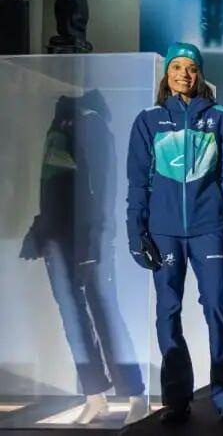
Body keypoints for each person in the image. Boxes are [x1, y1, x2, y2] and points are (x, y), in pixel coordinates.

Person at [126, 42, 223, 423]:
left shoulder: (219, 118)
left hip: (209, 229)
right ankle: (177, 398)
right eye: (177, 67)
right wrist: (136, 231)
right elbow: (137, 183)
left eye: (191, 68)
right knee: (168, 312)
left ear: (199, 75)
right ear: (167, 74)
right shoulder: (148, 121)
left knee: (218, 307)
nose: (184, 74)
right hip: (164, 232)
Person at [20, 91, 147, 425]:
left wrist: (97, 237)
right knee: (73, 318)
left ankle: (135, 394)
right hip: (56, 238)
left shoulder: (91, 123)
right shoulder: (59, 124)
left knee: (104, 313)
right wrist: (39, 229)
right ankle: (94, 395)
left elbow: (104, 188)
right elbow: (51, 186)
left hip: (87, 236)